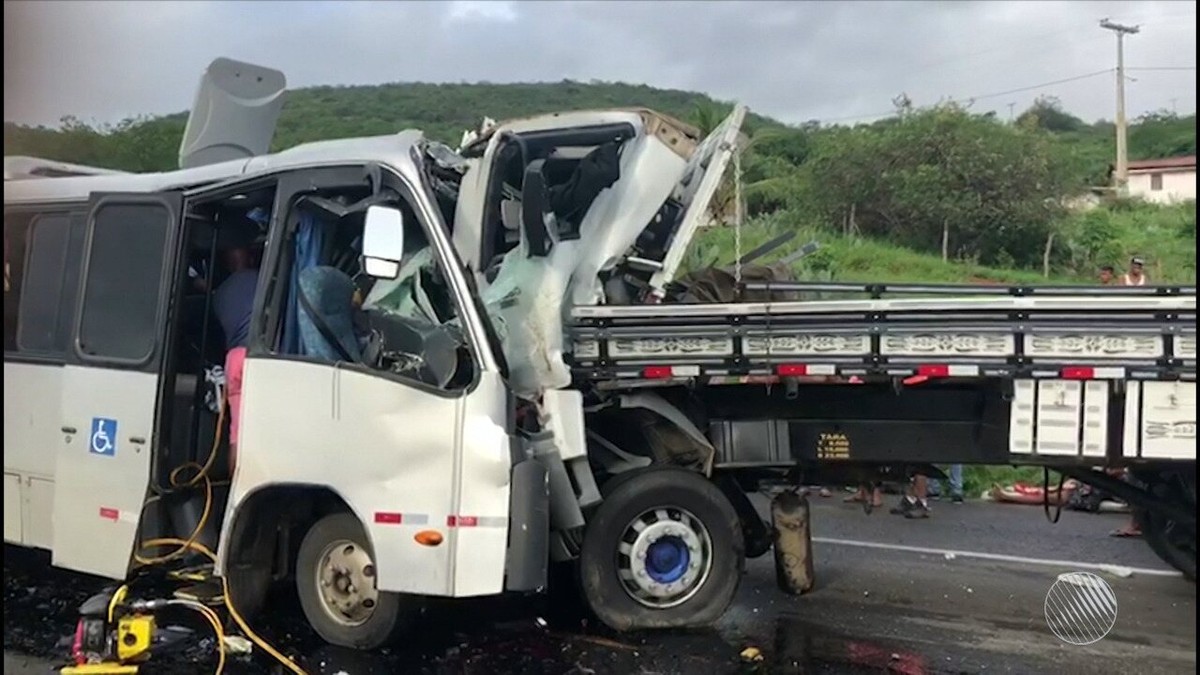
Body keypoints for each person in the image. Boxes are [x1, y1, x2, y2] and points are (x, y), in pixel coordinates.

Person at [212, 241, 260, 473]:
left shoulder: (221, 293)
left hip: (233, 360)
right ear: (250, 258)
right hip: (258, 358)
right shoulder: (262, 280)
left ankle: (235, 489)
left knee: (237, 433)